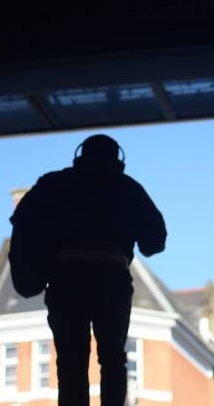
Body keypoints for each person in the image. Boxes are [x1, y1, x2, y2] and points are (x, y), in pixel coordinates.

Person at [11, 134, 166, 406]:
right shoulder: (128, 188)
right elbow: (155, 242)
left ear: (80, 156)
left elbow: (22, 224)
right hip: (112, 278)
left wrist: (30, 274)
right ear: (117, 160)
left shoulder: (53, 184)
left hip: (65, 279)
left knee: (71, 360)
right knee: (113, 357)